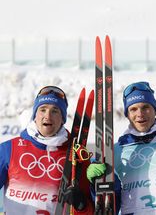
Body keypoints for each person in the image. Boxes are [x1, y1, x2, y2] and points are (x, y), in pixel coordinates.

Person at [87, 81, 156, 214]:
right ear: (127, 114)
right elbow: (111, 206)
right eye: (133, 109)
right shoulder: (116, 151)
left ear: (155, 110)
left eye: (145, 107)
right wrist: (95, 185)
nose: (140, 114)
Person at [0, 86, 94, 214]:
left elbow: (90, 210)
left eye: (55, 111)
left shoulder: (76, 155)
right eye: (42, 110)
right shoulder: (8, 149)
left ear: (63, 119)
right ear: (35, 116)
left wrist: (81, 204)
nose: (47, 116)